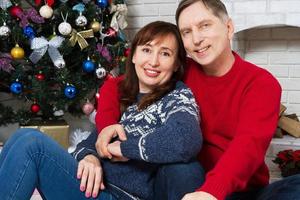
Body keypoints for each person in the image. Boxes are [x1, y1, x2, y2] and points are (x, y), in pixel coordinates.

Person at [94, 0, 300, 200]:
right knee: (181, 169)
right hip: (186, 183)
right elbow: (118, 84)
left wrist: (212, 192)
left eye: (205, 26)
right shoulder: (182, 70)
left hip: (238, 190)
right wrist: (108, 126)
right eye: (186, 32)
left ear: (228, 28)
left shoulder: (261, 83)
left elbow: (248, 147)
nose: (196, 39)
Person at [0, 21, 203, 200]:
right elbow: (94, 140)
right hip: (93, 188)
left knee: (32, 143)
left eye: (165, 53)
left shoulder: (176, 96)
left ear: (176, 64)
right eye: (147, 50)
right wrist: (89, 155)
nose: (154, 61)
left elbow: (186, 138)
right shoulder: (128, 98)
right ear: (133, 56)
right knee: (22, 137)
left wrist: (123, 148)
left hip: (121, 195)